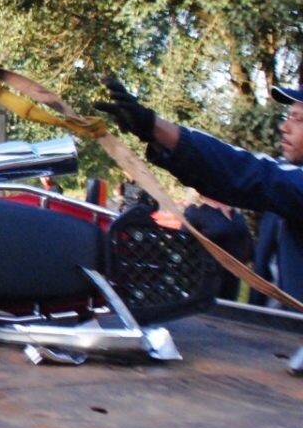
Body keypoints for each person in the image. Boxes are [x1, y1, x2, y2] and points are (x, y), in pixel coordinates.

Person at [95, 77, 303, 306]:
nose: (284, 127)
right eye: (288, 116)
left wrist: (155, 127)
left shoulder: (290, 183)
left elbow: (250, 173)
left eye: (298, 119)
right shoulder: (289, 184)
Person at [184, 193, 254, 301]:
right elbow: (184, 247)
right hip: (206, 280)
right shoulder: (195, 212)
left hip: (232, 278)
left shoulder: (235, 213)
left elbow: (247, 241)